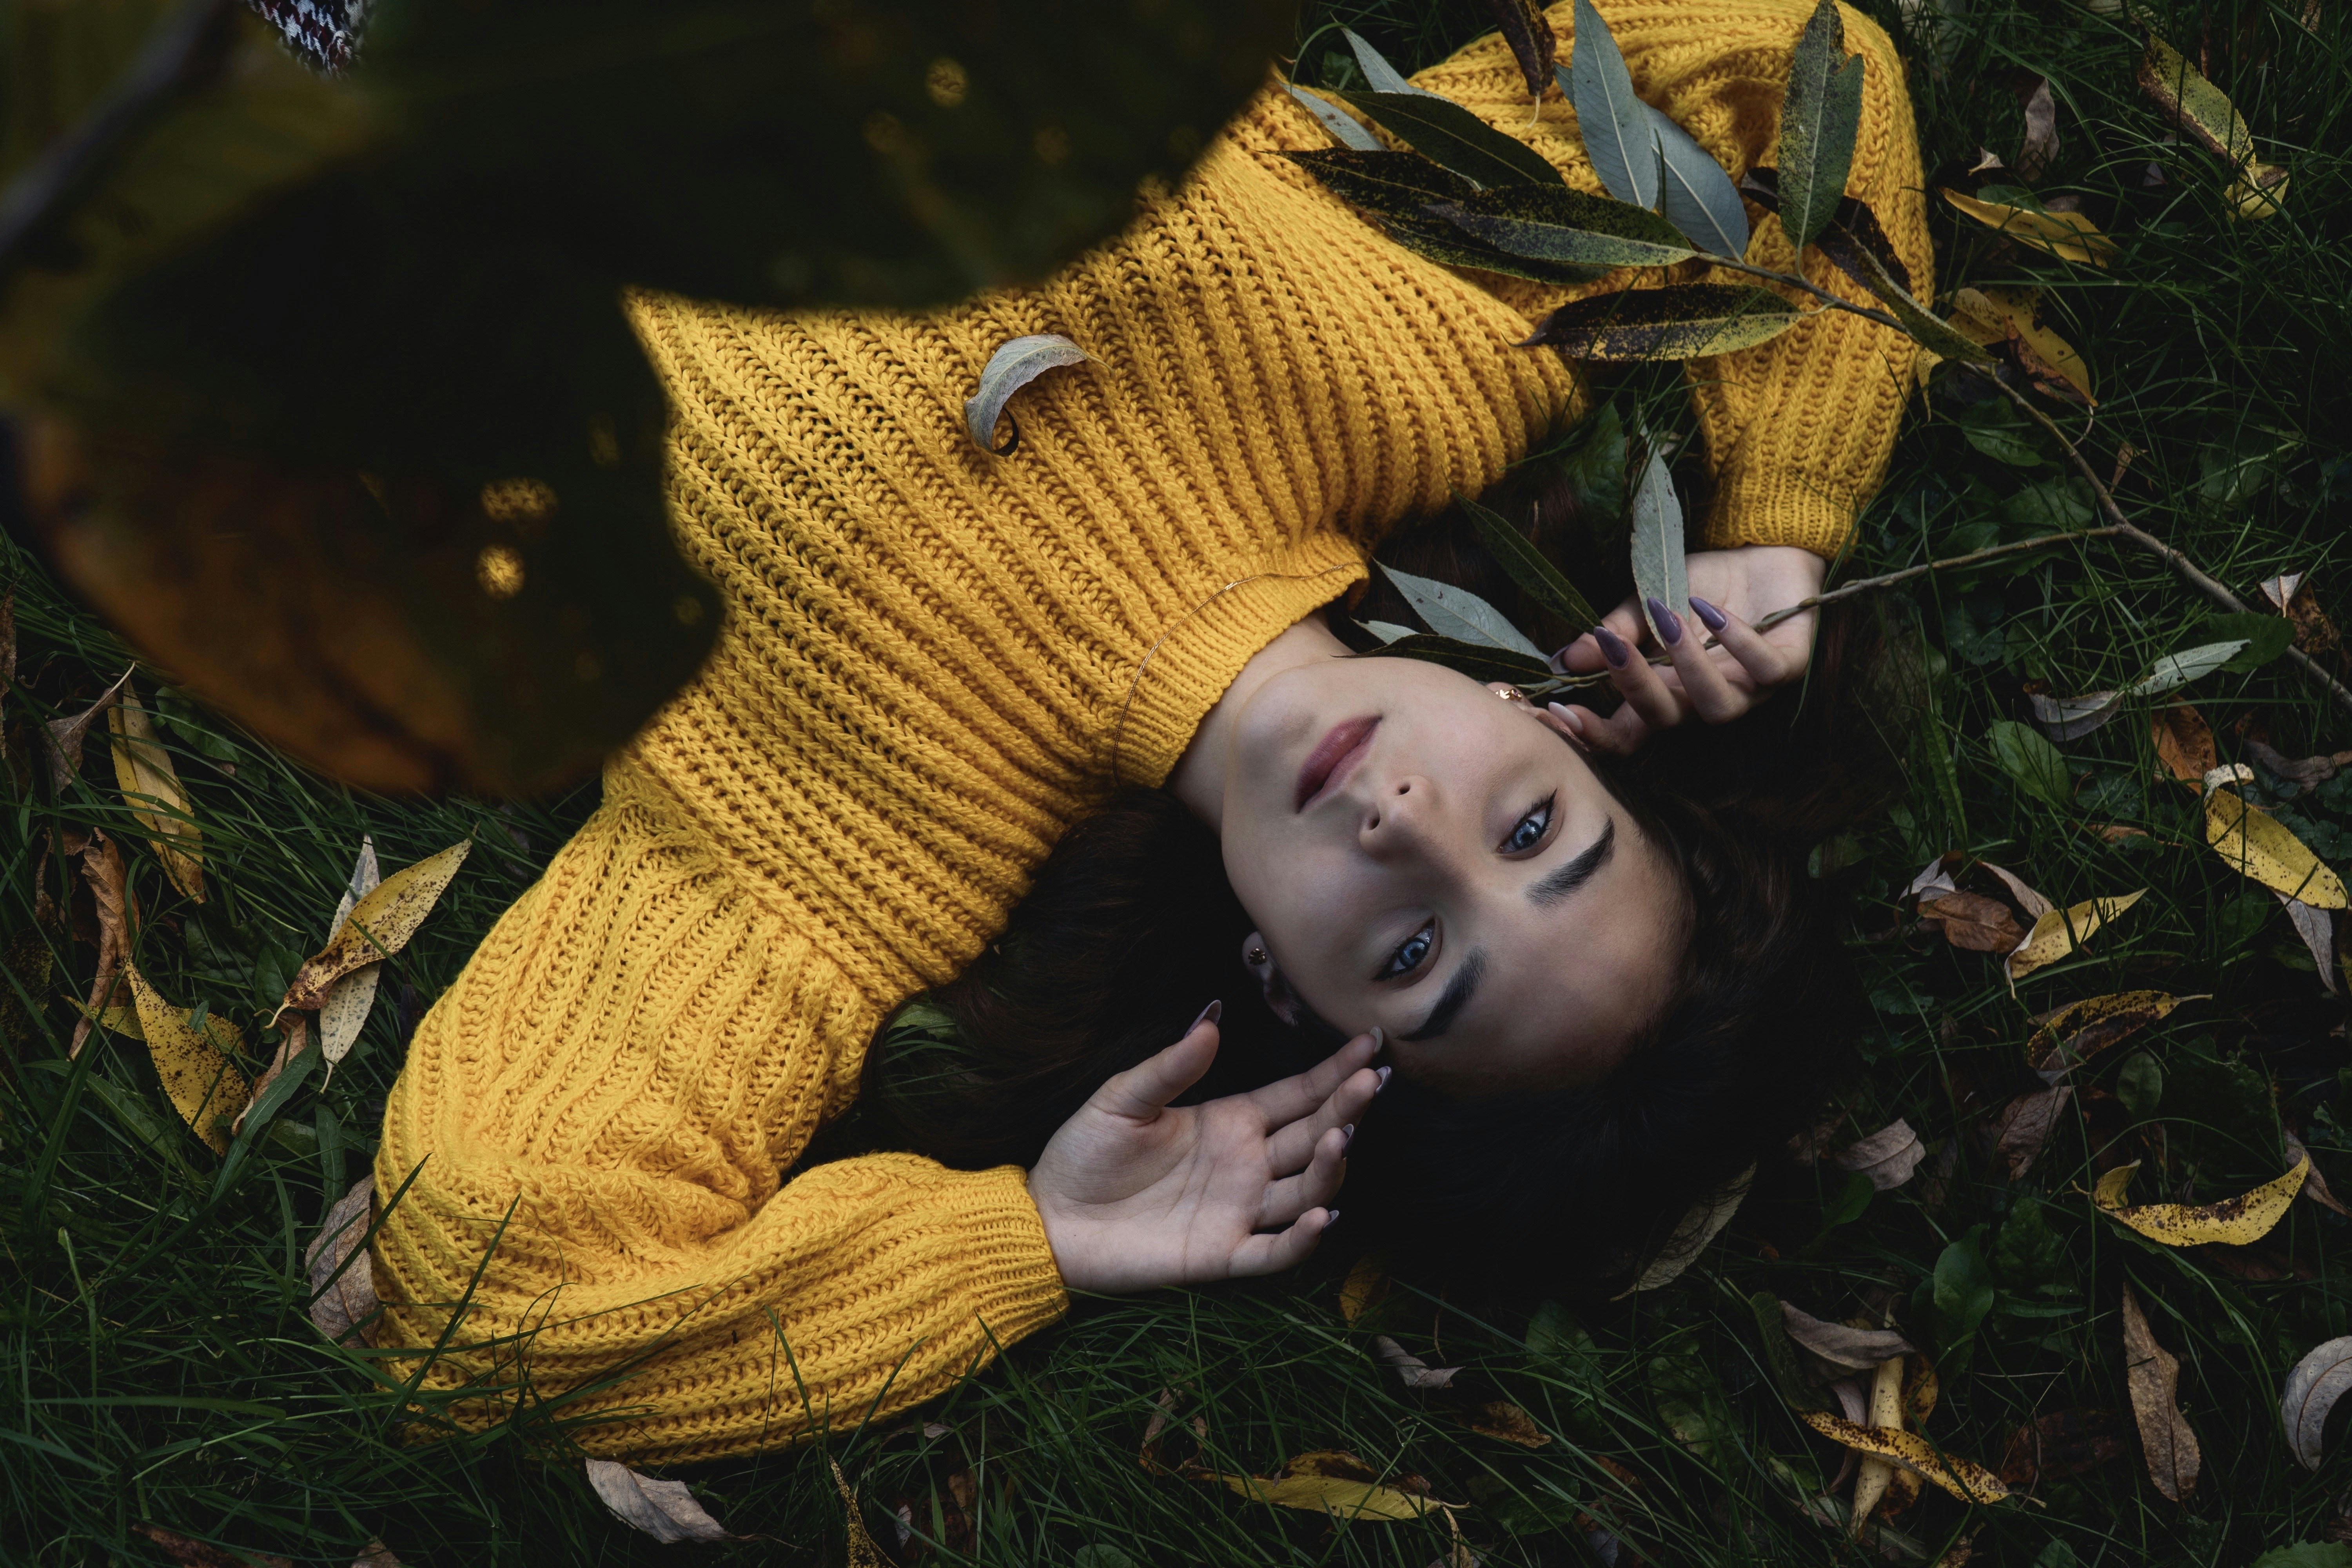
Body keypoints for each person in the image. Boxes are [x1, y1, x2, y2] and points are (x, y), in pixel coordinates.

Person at [367, 0, 1928, 1463]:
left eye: (1411, 955)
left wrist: (1032, 1241)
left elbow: (487, 1300)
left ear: (1291, 993)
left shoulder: (844, 866)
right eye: (1532, 831)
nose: (1405, 824)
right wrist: (1780, 527)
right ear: (1574, 728)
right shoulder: (1429, 351)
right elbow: (1793, 61)